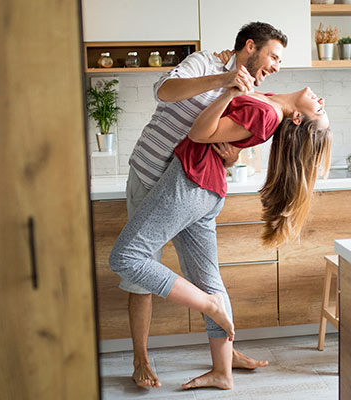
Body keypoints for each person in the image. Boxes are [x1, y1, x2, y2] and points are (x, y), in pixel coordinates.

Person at [109, 85, 331, 390]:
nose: (321, 101)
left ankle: (209, 305)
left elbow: (202, 132)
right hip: (208, 189)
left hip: (191, 182)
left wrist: (228, 91)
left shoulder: (268, 111)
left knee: (126, 257)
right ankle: (222, 371)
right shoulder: (270, 101)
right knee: (208, 278)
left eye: (319, 110)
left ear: (296, 118)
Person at [118, 22, 287, 388]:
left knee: (207, 275)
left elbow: (223, 142)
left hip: (188, 187)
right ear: (249, 46)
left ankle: (225, 354)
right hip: (151, 175)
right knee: (138, 271)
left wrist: (228, 160)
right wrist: (222, 82)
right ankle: (141, 358)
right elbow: (164, 91)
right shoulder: (205, 62)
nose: (276, 65)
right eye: (273, 55)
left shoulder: (250, 91)